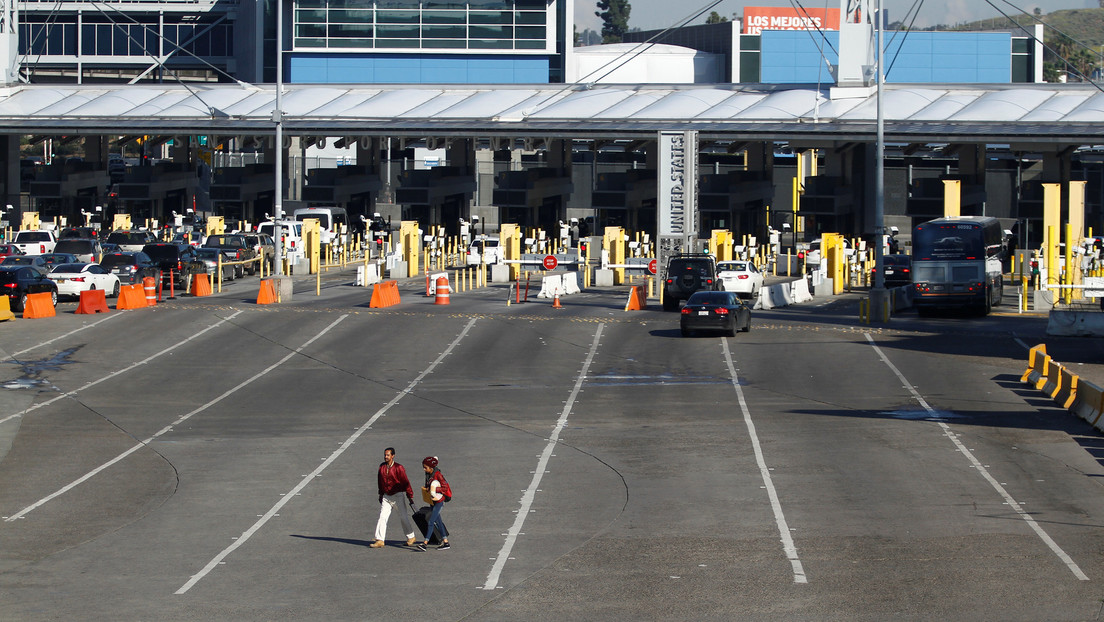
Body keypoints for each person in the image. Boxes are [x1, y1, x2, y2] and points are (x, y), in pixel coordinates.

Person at [370, 447, 416, 548]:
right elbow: (380, 481)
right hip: (386, 496)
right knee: (382, 517)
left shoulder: (399, 468)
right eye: (385, 455)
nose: (385, 457)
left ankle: (411, 536)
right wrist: (381, 494)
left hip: (397, 496)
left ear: (393, 456)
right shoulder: (382, 467)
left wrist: (409, 495)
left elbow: (405, 482)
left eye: (388, 455)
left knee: (403, 517)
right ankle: (380, 539)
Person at [415, 456, 451, 551]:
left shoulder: (438, 475)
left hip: (439, 501)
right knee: (438, 522)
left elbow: (445, 488)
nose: (424, 469)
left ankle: (425, 543)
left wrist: (434, 489)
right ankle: (446, 542)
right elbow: (428, 484)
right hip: (432, 500)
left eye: (425, 467)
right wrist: (427, 488)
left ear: (431, 468)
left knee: (431, 521)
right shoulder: (428, 474)